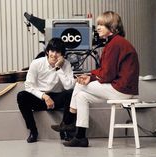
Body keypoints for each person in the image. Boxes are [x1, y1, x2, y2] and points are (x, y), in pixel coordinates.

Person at [51, 11, 140, 147]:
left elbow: (108, 74)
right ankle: (80, 137)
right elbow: (107, 72)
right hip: (121, 87)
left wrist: (89, 77)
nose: (97, 28)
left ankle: (68, 121)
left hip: (122, 89)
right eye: (98, 25)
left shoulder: (115, 44)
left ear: (112, 27)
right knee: (81, 96)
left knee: (79, 85)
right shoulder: (114, 43)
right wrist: (90, 76)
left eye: (101, 25)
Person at [17, 38, 76, 143]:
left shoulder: (66, 64)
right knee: (21, 96)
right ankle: (33, 131)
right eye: (52, 51)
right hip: (40, 98)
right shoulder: (36, 63)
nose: (54, 54)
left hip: (57, 98)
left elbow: (68, 86)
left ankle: (65, 128)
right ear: (48, 51)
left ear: (62, 55)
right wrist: (44, 96)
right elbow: (29, 86)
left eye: (58, 52)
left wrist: (58, 68)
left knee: (71, 93)